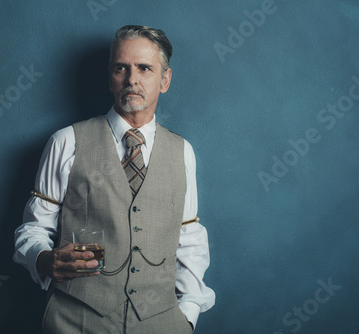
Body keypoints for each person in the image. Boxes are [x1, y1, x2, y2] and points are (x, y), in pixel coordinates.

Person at [13, 25, 215, 333]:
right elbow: (34, 228)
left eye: (145, 69)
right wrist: (42, 258)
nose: (132, 79)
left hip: (160, 323)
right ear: (111, 77)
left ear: (164, 81)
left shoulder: (182, 151)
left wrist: (187, 316)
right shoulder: (66, 142)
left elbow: (190, 238)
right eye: (122, 68)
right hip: (75, 320)